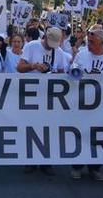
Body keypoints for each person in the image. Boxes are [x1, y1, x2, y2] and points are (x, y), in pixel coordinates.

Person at [69, 28, 103, 181]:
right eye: (88, 41)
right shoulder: (81, 54)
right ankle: (77, 166)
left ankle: (95, 168)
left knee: (99, 136)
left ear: (101, 42)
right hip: (82, 104)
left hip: (102, 105)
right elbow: (72, 71)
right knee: (81, 135)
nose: (89, 44)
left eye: (92, 42)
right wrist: (76, 72)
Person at [16, 27, 68, 176]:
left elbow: (61, 72)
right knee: (31, 127)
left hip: (50, 96)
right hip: (31, 94)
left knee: (49, 128)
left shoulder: (58, 52)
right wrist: (33, 66)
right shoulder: (32, 46)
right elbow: (19, 67)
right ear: (44, 37)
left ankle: (46, 160)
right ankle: (30, 160)